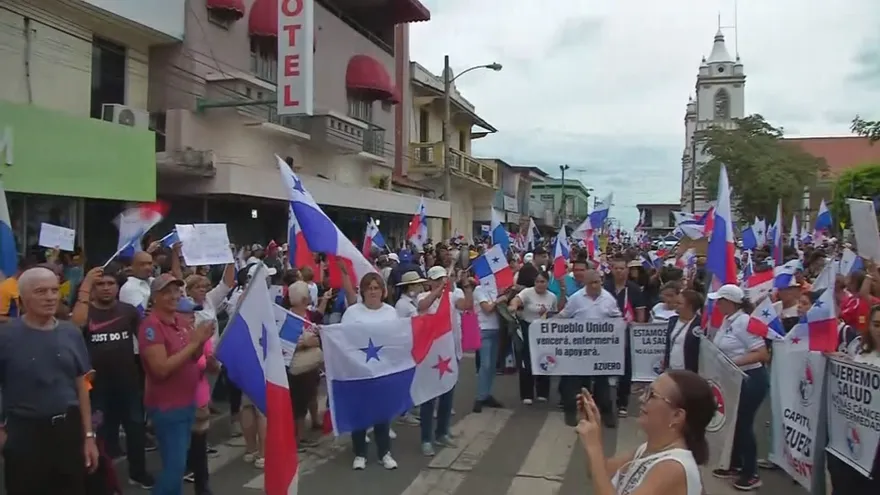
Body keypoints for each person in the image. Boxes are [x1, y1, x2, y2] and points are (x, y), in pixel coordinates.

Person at [0, 266, 99, 494]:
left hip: (68, 430)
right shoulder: (6, 336)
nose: (50, 297)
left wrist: (88, 435)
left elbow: (83, 383)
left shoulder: (71, 333)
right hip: (24, 433)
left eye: (54, 290)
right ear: (24, 297)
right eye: (41, 291)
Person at [71, 264, 154, 487]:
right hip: (95, 387)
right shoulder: (85, 312)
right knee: (100, 434)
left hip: (127, 382)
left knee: (136, 429)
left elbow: (145, 341)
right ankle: (101, 480)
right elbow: (74, 329)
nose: (106, 288)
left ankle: (138, 473)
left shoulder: (128, 311)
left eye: (111, 284)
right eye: (101, 284)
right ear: (92, 287)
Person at [575, 370, 715, 495]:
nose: (641, 398)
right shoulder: (648, 450)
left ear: (677, 416)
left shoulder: (673, 467)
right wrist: (594, 427)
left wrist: (594, 446)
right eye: (646, 392)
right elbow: (597, 472)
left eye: (652, 395)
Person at [139, 273, 215, 495]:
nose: (174, 296)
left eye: (176, 291)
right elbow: (160, 369)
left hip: (187, 403)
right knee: (175, 468)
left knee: (178, 464)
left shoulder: (181, 323)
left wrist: (201, 341)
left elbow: (193, 356)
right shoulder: (151, 327)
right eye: (167, 292)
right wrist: (194, 344)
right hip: (168, 407)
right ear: (155, 297)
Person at [707, 284, 769, 491]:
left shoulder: (744, 322)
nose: (716, 304)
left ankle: (751, 473)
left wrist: (734, 363)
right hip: (733, 380)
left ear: (730, 303)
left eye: (720, 301)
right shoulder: (728, 321)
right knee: (733, 423)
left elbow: (761, 353)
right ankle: (736, 464)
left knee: (743, 424)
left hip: (751, 379)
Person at [341, 273, 399, 470]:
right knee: (360, 414)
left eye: (376, 287)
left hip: (383, 371)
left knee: (382, 414)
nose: (373, 291)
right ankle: (360, 454)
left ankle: (384, 453)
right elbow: (343, 339)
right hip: (359, 371)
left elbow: (398, 339)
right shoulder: (352, 313)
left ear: (382, 291)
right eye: (369, 288)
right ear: (362, 291)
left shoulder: (391, 312)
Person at [557, 267, 622, 427]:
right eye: (591, 283)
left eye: (597, 282)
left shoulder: (608, 299)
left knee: (602, 383)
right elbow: (564, 316)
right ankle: (571, 412)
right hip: (579, 348)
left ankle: (606, 414)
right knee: (574, 382)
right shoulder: (576, 298)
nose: (595, 285)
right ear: (585, 283)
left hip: (601, 349)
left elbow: (617, 318)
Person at [508, 269, 557, 405]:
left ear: (547, 282)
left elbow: (554, 312)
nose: (540, 284)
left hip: (545, 332)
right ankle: (527, 393)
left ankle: (543, 392)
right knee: (527, 360)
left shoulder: (552, 296)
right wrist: (513, 306)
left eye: (543, 282)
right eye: (537, 282)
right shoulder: (527, 292)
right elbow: (516, 300)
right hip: (528, 328)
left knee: (545, 359)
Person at [663, 290, 704, 373]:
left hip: (690, 372)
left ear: (690, 306)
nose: (675, 306)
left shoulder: (700, 324)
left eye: (679, 303)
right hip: (671, 369)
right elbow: (669, 345)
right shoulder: (672, 321)